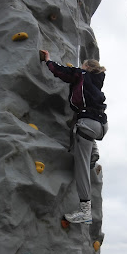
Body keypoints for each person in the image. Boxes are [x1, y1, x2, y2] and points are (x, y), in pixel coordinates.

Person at [41, 50, 108, 225]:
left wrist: (48, 60)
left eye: (82, 65)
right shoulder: (96, 81)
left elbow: (62, 71)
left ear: (86, 67)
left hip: (87, 123)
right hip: (101, 125)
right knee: (85, 142)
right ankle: (94, 154)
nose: (79, 67)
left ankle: (85, 211)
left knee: (81, 167)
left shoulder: (81, 74)